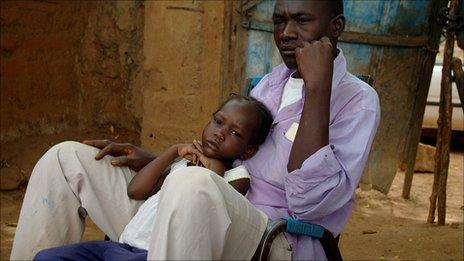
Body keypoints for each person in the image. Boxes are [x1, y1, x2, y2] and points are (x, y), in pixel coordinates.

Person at [11, 0, 380, 260]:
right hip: (202, 206)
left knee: (192, 186)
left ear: (335, 28)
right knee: (65, 159)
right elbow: (237, 159)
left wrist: (318, 89)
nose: (285, 33)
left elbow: (311, 204)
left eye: (301, 20)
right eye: (278, 20)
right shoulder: (270, 84)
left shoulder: (357, 102)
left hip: (276, 239)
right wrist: (162, 159)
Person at [33, 95, 274, 260]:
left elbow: (207, 193)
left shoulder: (238, 177)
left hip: (153, 254)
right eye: (218, 122)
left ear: (248, 150)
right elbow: (135, 191)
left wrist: (210, 165)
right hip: (122, 246)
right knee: (47, 257)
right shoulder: (183, 164)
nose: (219, 134)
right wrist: (172, 153)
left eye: (234, 133)